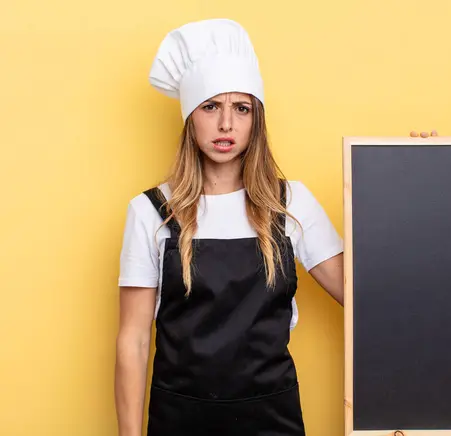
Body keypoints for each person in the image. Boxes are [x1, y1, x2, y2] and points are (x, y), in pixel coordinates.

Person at [114, 19, 344, 436]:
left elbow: (371, 302)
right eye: (210, 106)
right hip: (179, 420)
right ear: (190, 118)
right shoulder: (150, 211)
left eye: (242, 108)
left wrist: (404, 183)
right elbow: (132, 342)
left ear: (256, 119)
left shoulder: (290, 204)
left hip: (272, 420)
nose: (226, 125)